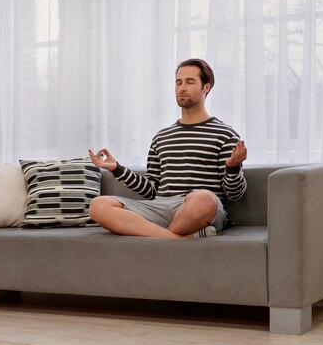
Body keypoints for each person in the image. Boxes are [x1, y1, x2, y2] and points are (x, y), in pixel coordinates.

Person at [88, 58, 247, 239]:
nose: (182, 87)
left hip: (198, 209)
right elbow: (151, 190)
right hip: (161, 207)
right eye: (178, 82)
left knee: (203, 199)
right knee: (98, 205)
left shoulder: (225, 134)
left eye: (190, 81)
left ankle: (160, 235)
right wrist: (117, 169)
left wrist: (233, 168)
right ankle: (179, 238)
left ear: (206, 87)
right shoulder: (161, 137)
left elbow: (235, 194)